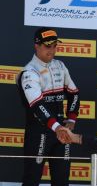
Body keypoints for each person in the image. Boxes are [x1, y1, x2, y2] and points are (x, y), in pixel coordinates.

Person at [17, 27, 80, 186]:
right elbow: (37, 105)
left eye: (55, 45)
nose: (52, 49)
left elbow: (74, 93)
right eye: (47, 45)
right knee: (32, 180)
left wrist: (71, 119)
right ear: (36, 46)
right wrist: (57, 127)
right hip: (39, 132)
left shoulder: (60, 66)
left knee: (62, 180)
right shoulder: (29, 72)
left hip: (61, 131)